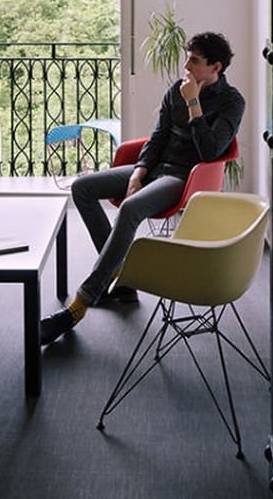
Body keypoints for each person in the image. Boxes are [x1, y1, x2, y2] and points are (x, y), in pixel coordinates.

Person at [39, 31, 245, 346]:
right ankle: (119, 276)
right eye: (187, 57)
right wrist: (138, 172)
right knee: (82, 188)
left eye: (194, 60)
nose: (186, 65)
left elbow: (209, 151)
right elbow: (158, 136)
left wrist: (193, 102)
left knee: (131, 208)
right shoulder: (175, 90)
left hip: (184, 177)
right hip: (155, 168)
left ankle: (80, 304)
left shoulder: (232, 101)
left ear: (216, 67)